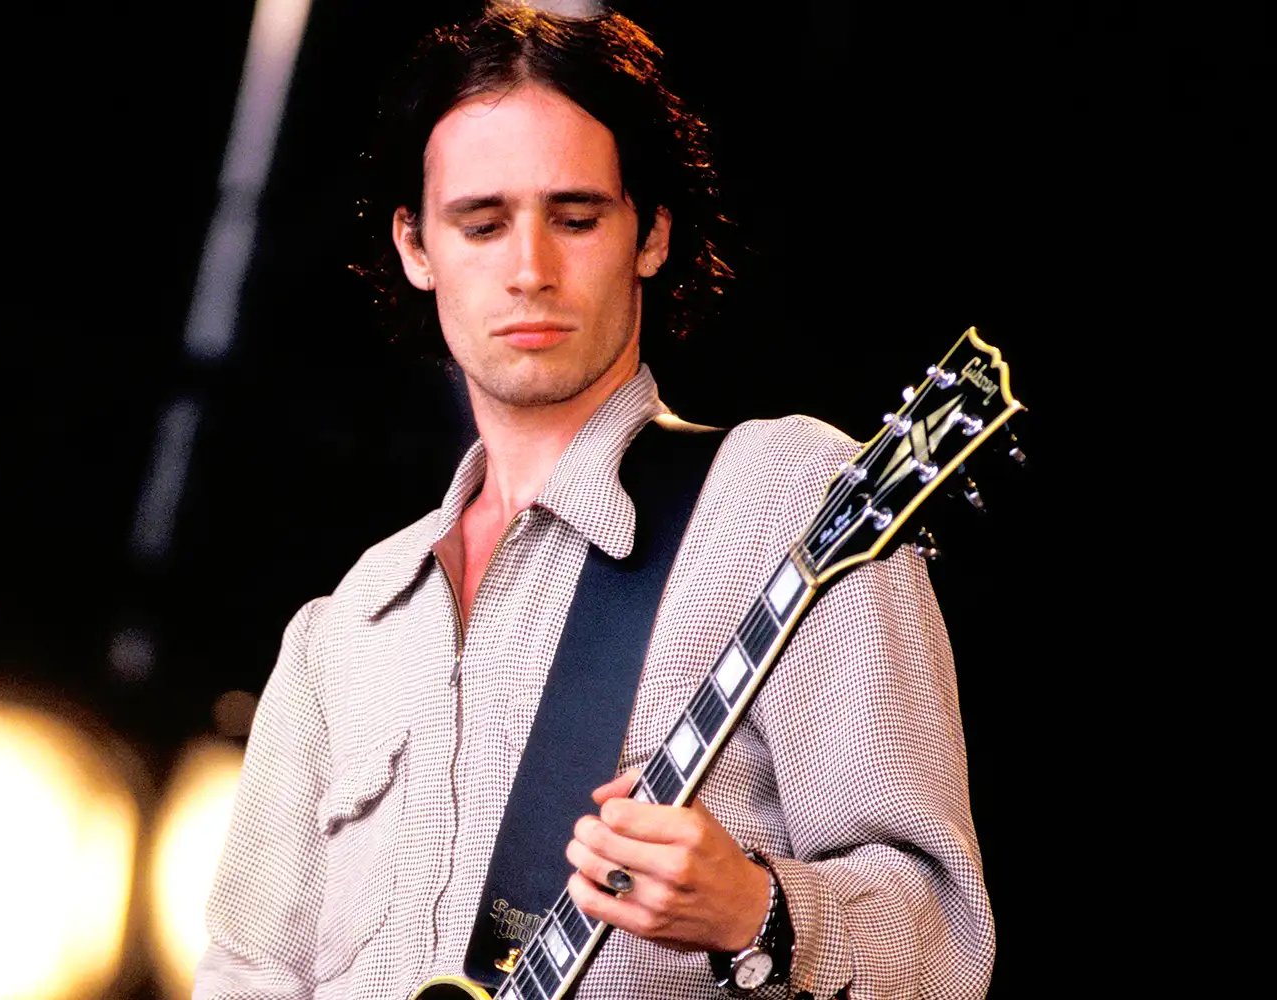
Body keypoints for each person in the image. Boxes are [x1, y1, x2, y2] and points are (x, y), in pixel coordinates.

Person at [194, 5, 994, 1000]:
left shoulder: (786, 501)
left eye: (575, 218)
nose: (530, 270)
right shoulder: (344, 628)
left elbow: (943, 949)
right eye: (481, 224)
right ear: (416, 247)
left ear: (650, 233)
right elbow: (248, 974)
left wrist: (759, 908)